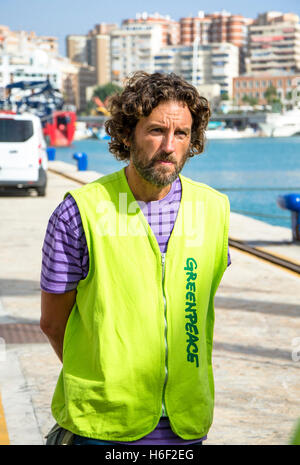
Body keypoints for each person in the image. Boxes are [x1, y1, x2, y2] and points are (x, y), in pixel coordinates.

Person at [40, 71, 230, 446]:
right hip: (102, 426)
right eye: (157, 130)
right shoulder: (79, 212)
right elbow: (52, 323)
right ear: (127, 134)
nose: (170, 146)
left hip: (185, 422)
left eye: (182, 134)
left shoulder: (214, 209)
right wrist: (107, 377)